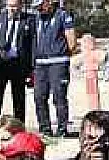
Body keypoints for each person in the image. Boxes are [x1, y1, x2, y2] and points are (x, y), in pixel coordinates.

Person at [31, 0, 77, 137]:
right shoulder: (37, 18)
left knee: (59, 97)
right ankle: (45, 130)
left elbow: (72, 42)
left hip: (58, 62)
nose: (39, 9)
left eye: (41, 6)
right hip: (40, 63)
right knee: (39, 97)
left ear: (49, 2)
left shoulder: (63, 16)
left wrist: (61, 51)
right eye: (37, 7)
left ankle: (62, 130)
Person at [0, 0, 34, 126]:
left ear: (20, 5)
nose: (12, 9)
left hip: (18, 63)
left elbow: (32, 44)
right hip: (1, 62)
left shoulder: (29, 20)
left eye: (14, 6)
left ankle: (19, 125)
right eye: (9, 6)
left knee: (19, 95)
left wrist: (31, 67)